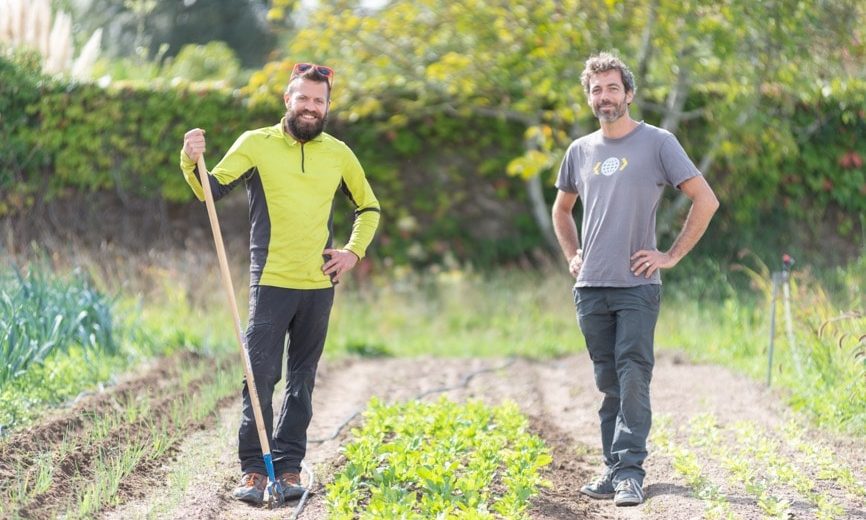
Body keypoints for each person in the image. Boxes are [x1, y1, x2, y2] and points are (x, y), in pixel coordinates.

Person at [179, 63, 381, 505]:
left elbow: (369, 208)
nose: (310, 107)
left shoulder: (339, 153)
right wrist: (190, 159)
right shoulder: (257, 144)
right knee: (260, 377)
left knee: (302, 380)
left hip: (318, 285)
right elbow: (210, 190)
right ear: (287, 100)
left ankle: (289, 468)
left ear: (327, 106)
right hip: (269, 282)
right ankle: (254, 470)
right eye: (303, 98)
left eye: (318, 101)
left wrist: (351, 252)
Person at [551, 52, 718, 507]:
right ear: (590, 97)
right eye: (596, 90)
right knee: (608, 381)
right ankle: (611, 467)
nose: (604, 97)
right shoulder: (579, 151)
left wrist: (670, 256)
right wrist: (573, 255)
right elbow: (562, 209)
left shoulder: (658, 143)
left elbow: (705, 200)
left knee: (633, 376)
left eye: (611, 88)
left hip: (638, 286)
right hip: (590, 288)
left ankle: (630, 472)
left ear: (629, 93)